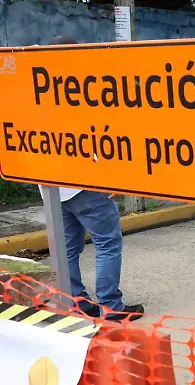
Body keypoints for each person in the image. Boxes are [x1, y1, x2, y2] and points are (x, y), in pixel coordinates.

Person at [40, 35, 143, 322]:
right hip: (84, 184)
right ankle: (111, 305)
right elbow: (94, 138)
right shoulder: (78, 87)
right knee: (108, 242)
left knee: (68, 248)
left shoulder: (38, 88)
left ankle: (76, 302)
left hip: (51, 188)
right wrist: (109, 176)